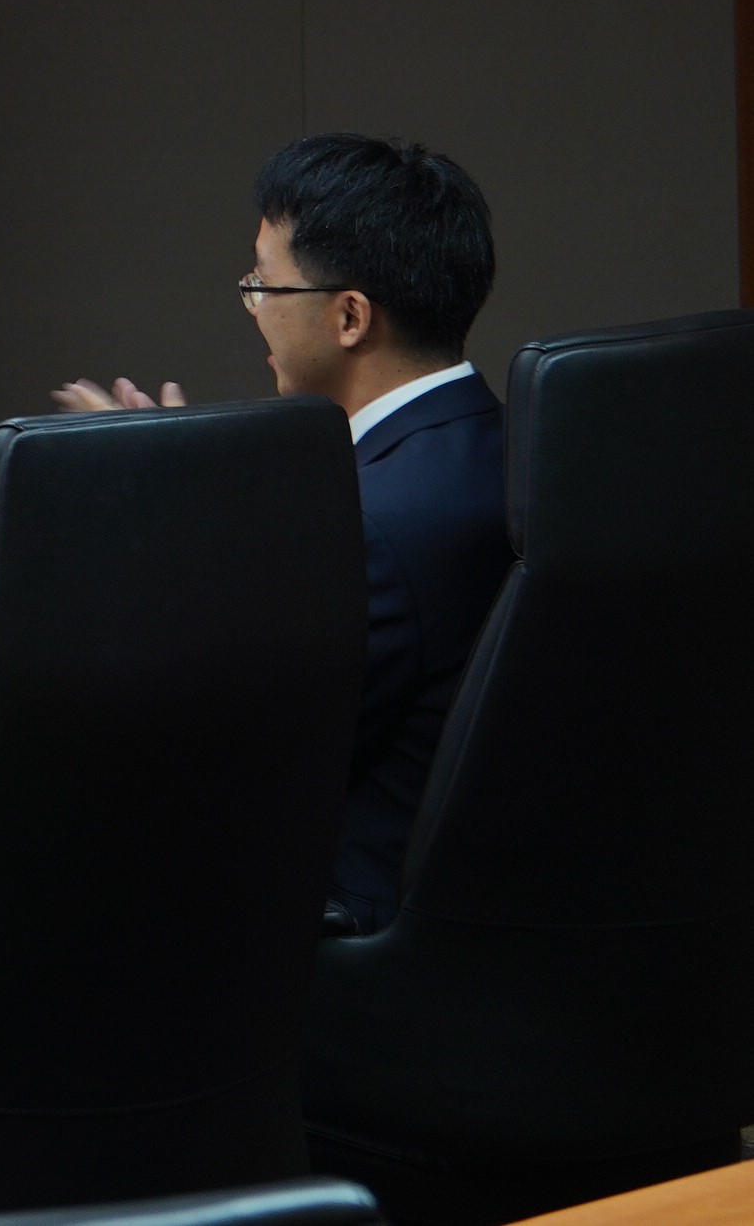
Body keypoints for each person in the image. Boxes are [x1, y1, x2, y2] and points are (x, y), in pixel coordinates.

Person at [49, 133, 507, 932]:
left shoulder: (370, 526)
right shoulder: (501, 447)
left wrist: (151, 520)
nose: (253, 305)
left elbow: (225, 751)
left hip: (337, 935)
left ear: (350, 316)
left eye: (263, 283)